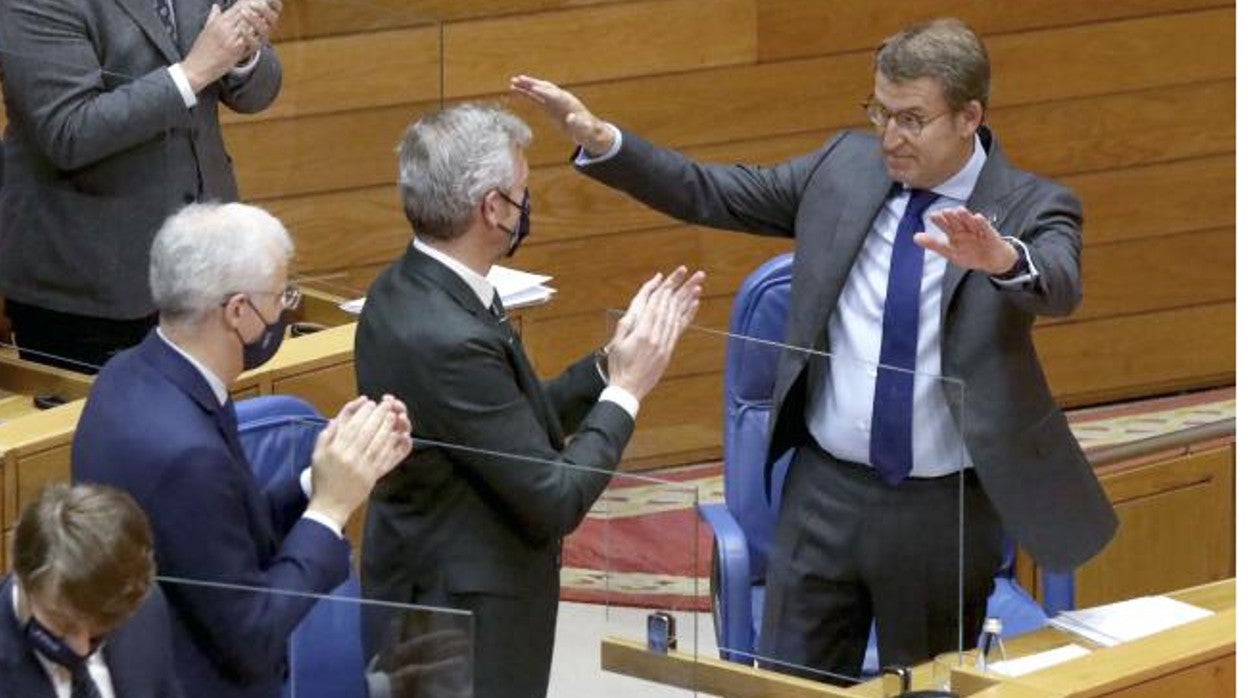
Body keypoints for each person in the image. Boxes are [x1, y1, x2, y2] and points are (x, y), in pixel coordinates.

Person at [512, 17, 1118, 681]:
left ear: (969, 115)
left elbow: (1059, 284)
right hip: (822, 493)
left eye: (911, 120)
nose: (889, 137)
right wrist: (605, 142)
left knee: (923, 687)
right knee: (786, 686)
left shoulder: (1031, 205)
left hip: (940, 510)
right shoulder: (844, 169)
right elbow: (713, 191)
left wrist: (1001, 258)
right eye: (879, 112)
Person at [354, 102, 704, 698]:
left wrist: (605, 365)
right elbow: (554, 497)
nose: (526, 204)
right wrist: (626, 391)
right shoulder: (445, 335)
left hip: (434, 585)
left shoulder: (406, 285)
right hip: (460, 621)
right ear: (492, 208)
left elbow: (498, 425)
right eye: (521, 191)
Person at [72, 202, 414, 698]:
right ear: (237, 311)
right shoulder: (187, 454)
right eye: (281, 296)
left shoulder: (131, 373)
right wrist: (331, 510)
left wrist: (321, 476)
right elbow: (252, 634)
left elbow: (218, 536)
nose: (284, 310)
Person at [0, 0, 284, 372]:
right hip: (91, 285)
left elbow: (257, 93)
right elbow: (68, 131)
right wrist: (192, 73)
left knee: (208, 422)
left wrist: (244, 52)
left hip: (205, 267)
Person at [1, 482, 184, 698]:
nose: (81, 649)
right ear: (21, 576)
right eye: (62, 622)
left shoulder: (144, 611)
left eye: (100, 627)